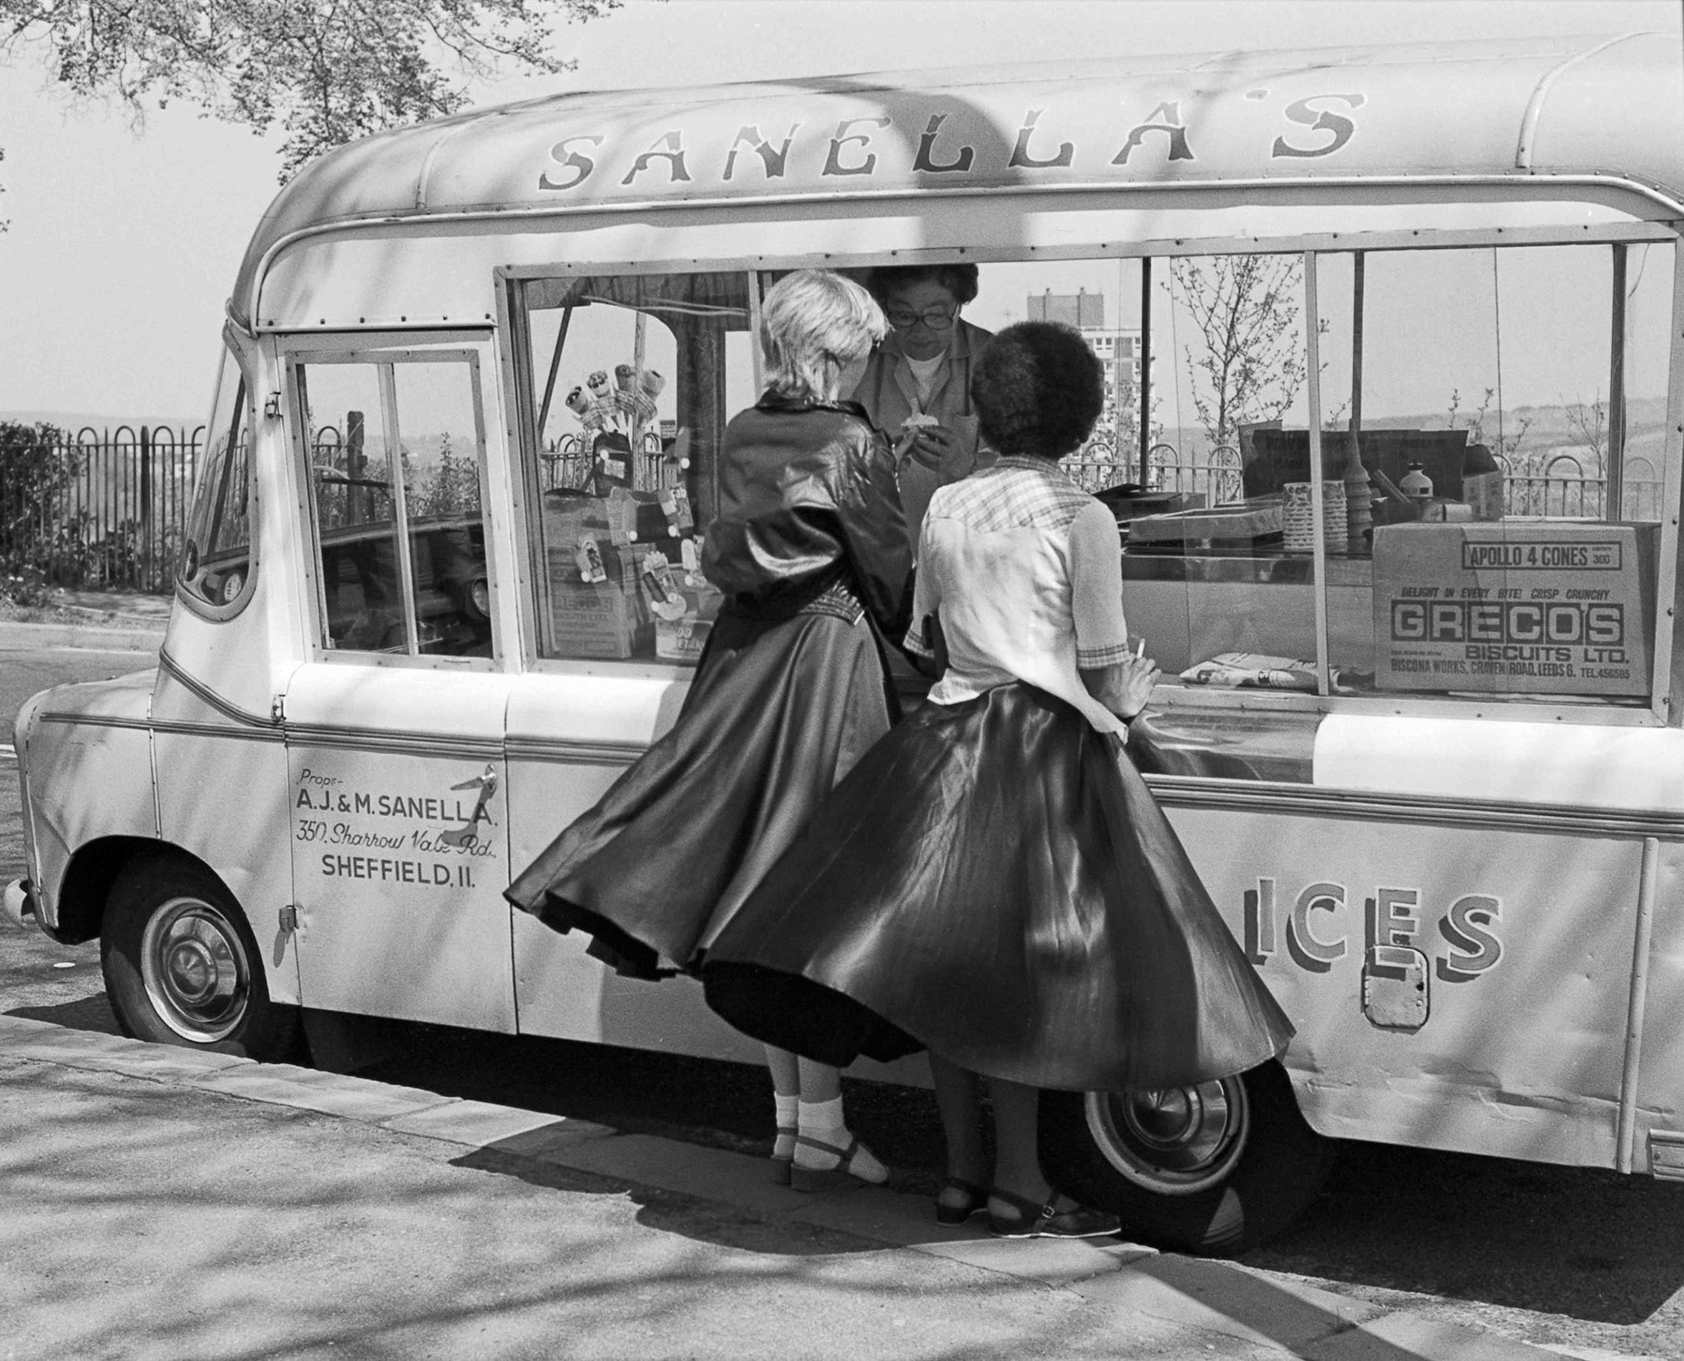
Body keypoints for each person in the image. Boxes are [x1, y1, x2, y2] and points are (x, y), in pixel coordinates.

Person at [703, 321, 1294, 1238]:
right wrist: (1132, 699)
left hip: (945, 745)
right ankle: (1022, 1184)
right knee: (1028, 986)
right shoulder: (1083, 517)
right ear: (1082, 420)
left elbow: (927, 635)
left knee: (949, 979)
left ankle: (962, 1174)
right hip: (1047, 751)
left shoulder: (944, 506)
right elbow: (1099, 661)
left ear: (989, 410)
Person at [506, 269, 914, 1192]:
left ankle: (797, 1127)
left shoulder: (741, 429)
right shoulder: (854, 442)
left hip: (743, 660)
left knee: (753, 897)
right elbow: (891, 578)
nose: (862, 370)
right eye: (855, 354)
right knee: (813, 903)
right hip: (829, 664)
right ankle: (823, 1128)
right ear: (827, 351)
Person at [842, 264, 997, 541]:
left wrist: (970, 464)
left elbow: (1025, 467)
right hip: (886, 548)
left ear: (959, 306)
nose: (920, 329)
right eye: (903, 315)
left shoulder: (992, 358)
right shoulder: (862, 359)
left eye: (936, 315)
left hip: (973, 546)